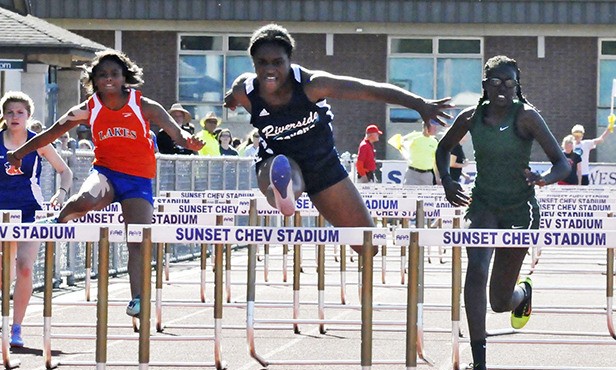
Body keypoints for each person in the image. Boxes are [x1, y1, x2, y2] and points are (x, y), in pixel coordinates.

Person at [6, 49, 204, 318]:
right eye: (102, 75)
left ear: (125, 78)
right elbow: (51, 132)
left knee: (138, 239)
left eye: (114, 74)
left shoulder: (144, 105)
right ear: (94, 80)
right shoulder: (87, 108)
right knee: (88, 198)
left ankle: (137, 299)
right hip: (106, 172)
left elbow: (175, 131)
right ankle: (58, 220)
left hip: (138, 179)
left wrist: (189, 142)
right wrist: (19, 154)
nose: (108, 79)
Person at [224, 23, 451, 252]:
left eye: (277, 63)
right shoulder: (245, 90)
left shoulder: (313, 84)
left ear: (289, 60)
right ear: (253, 64)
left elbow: (369, 90)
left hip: (323, 166)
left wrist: (420, 104)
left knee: (367, 245)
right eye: (262, 63)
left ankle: (289, 194)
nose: (269, 70)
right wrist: (232, 99)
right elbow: (236, 90)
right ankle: (287, 192)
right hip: (275, 160)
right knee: (286, 171)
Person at [435, 55, 570, 370]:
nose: (502, 89)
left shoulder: (527, 118)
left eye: (509, 83)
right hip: (483, 205)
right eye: (495, 82)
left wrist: (544, 179)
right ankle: (479, 367)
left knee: (499, 300)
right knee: (476, 269)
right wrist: (449, 183)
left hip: (518, 210)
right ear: (484, 85)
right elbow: (443, 148)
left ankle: (522, 292)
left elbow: (562, 163)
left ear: (517, 86)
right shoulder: (471, 117)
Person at [0, 91, 72, 347]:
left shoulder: (38, 142)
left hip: (30, 212)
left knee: (25, 267)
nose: (15, 116)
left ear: (29, 116)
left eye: (20, 112)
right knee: (3, 272)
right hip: (1, 214)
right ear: (4, 116)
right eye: (10, 112)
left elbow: (65, 171)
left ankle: (16, 327)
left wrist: (61, 193)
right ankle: (4, 319)